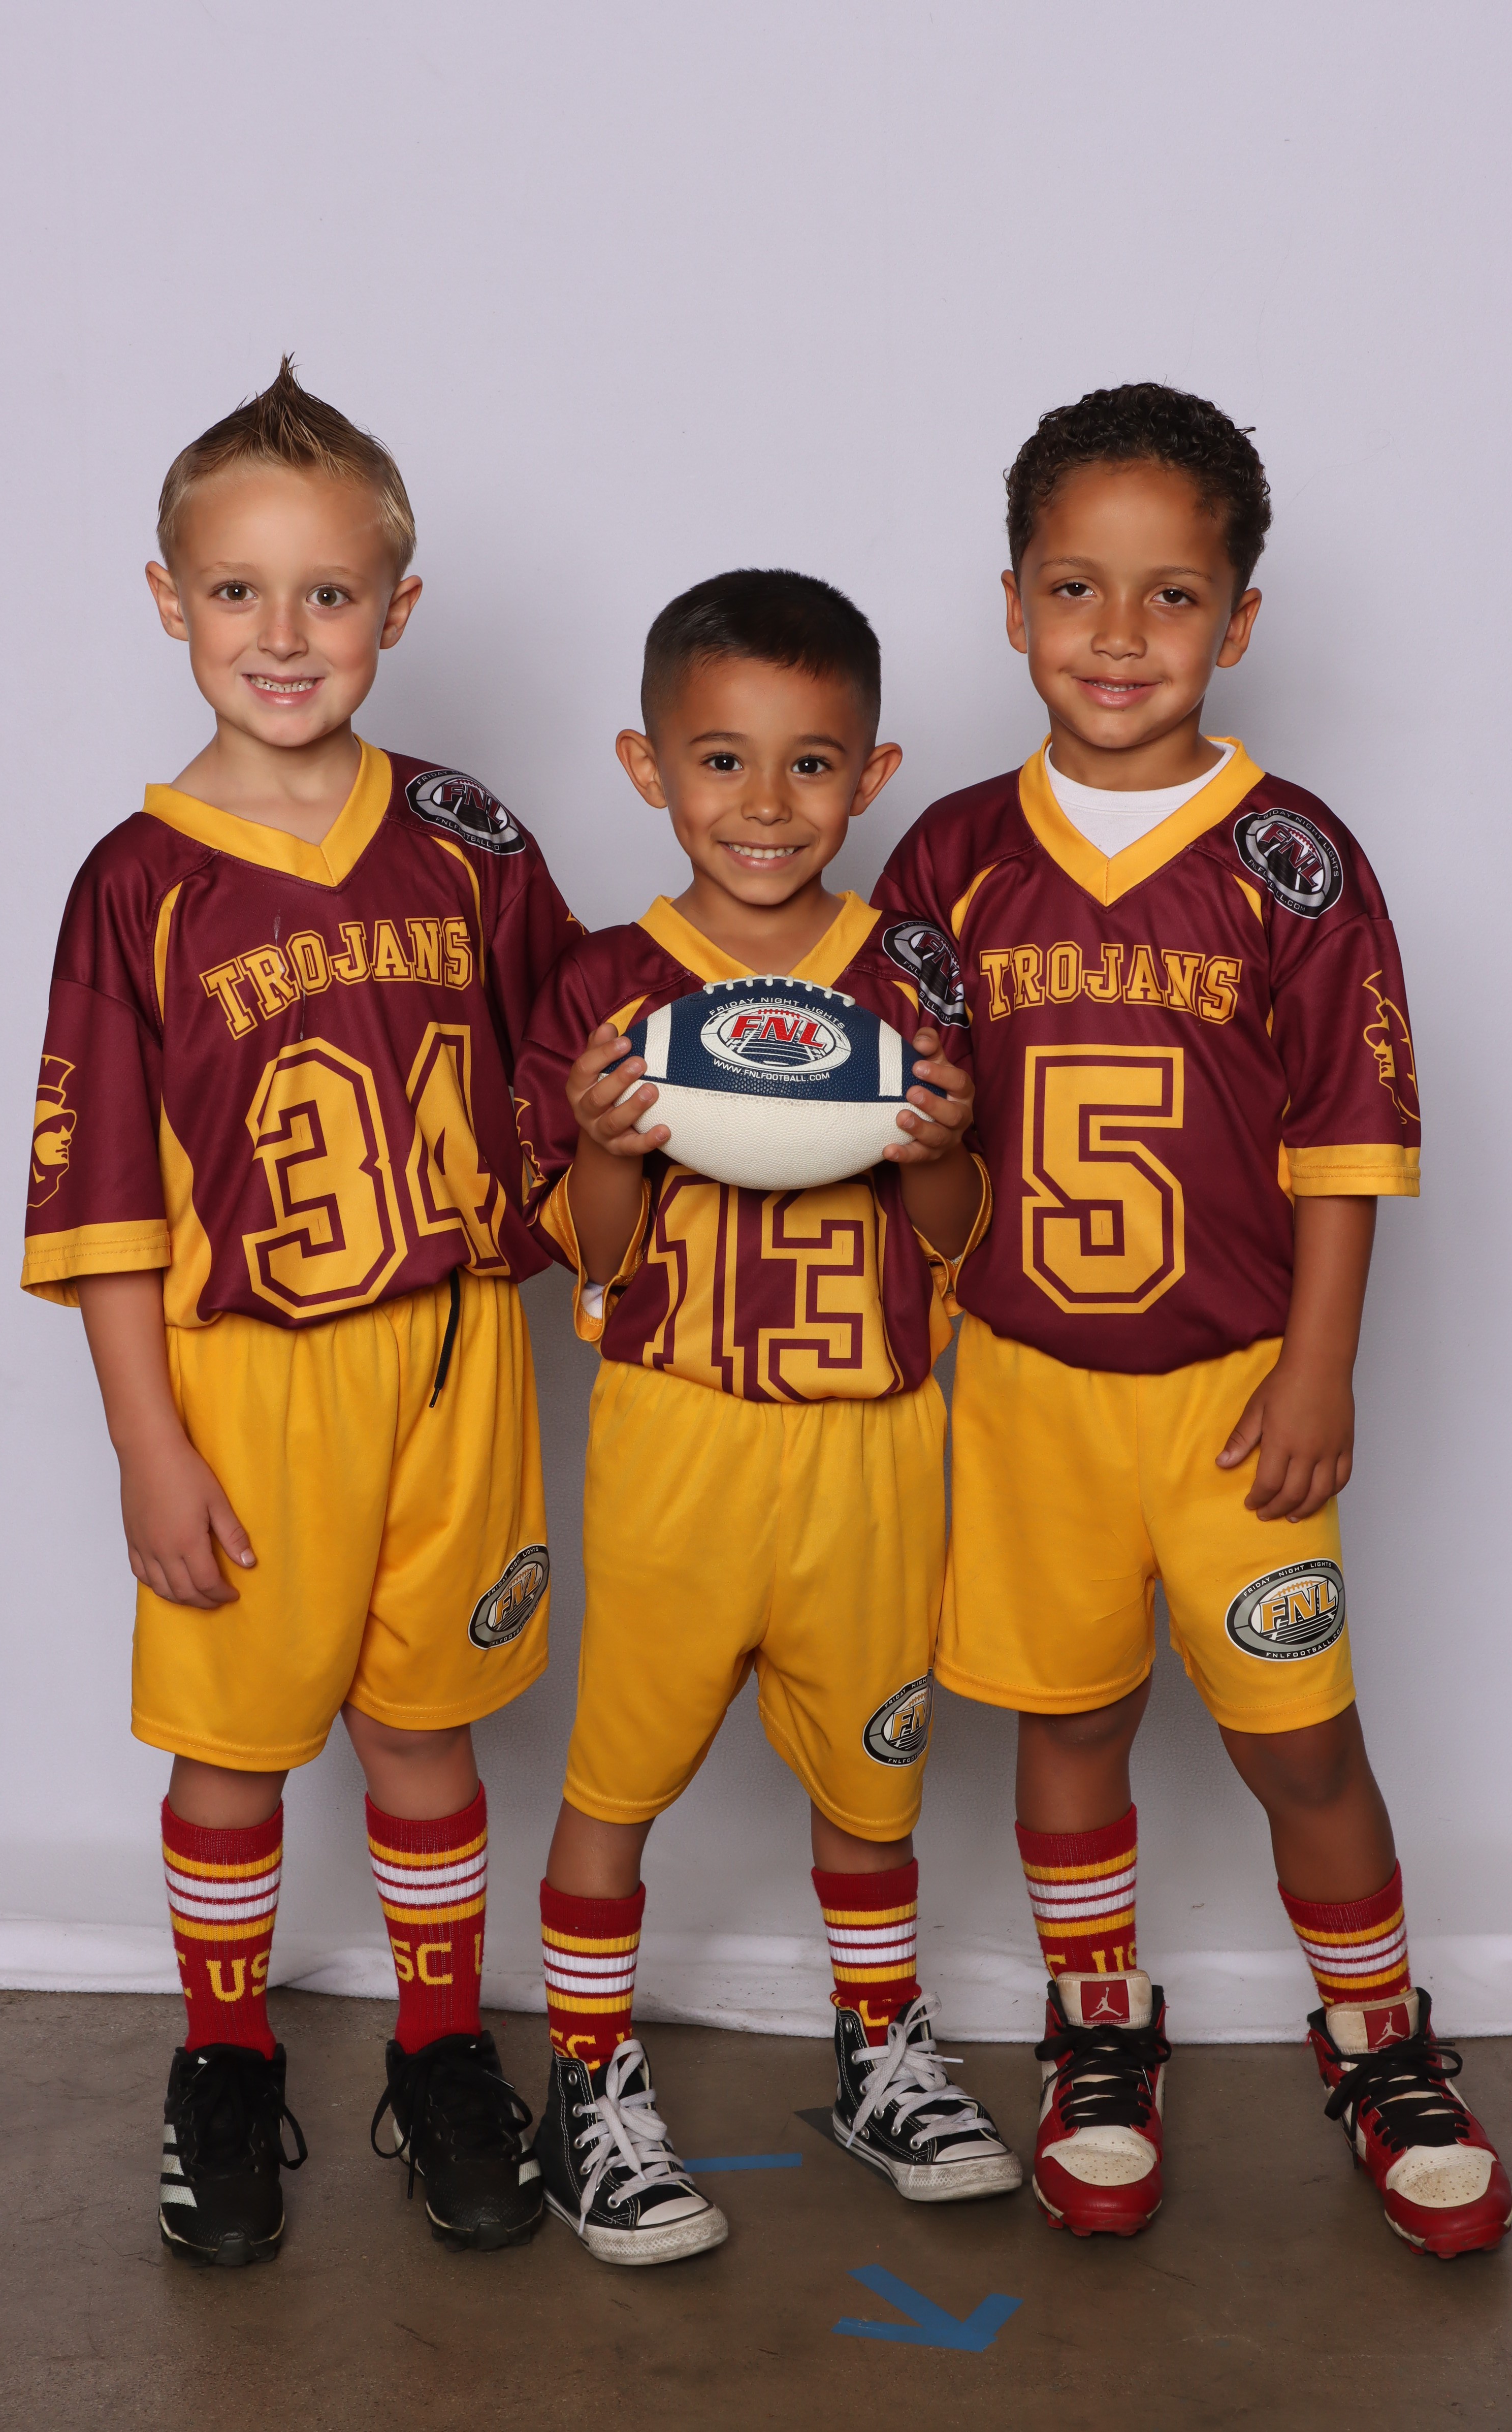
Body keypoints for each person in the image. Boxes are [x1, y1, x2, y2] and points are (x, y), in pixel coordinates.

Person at [876, 383, 1512, 2259]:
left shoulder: (1292, 856)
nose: (1120, 633)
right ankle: (1099, 2032)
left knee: (1300, 1743)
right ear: (1012, 603)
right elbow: (914, 1159)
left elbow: (1347, 1138)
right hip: (1028, 1386)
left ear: (1238, 622)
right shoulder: (951, 857)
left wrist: (1321, 1366)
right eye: (1077, 587)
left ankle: (1380, 2041)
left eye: (1173, 595)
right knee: (1070, 1721)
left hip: (1235, 1391)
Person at [22, 359, 577, 2267]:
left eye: (328, 593)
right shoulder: (136, 883)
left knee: (426, 1732)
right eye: (239, 590)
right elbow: (102, 1206)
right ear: (168, 600)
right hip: (247, 1381)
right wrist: (147, 1445)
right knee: (239, 1741)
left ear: (397, 610)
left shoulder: (471, 836)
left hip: (457, 1356)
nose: (284, 633)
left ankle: (439, 2048)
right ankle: (226, 2058)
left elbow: (580, 1052)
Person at [512, 568, 1021, 2265]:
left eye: (812, 764)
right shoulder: (606, 984)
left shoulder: (913, 982)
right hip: (680, 1436)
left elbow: (960, 1239)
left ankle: (882, 2058)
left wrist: (938, 1149)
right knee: (617, 1779)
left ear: (872, 777)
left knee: (872, 1788)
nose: (766, 803)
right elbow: (586, 1256)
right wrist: (604, 1144)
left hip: (875, 1440)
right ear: (646, 766)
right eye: (720, 759)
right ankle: (588, 2084)